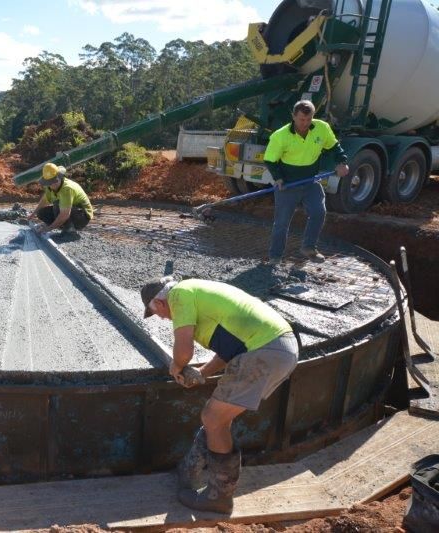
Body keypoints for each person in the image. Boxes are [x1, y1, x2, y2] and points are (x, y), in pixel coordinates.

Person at [140, 276, 298, 514]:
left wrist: (176, 366)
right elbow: (228, 351)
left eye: (157, 312)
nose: (162, 318)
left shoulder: (180, 294)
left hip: (264, 351)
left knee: (213, 418)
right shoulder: (198, 294)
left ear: (159, 301)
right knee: (218, 419)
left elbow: (183, 352)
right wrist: (202, 374)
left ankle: (219, 496)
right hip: (277, 349)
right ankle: (193, 474)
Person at [263, 100, 350, 264]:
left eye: (308, 119)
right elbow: (270, 160)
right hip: (288, 184)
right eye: (301, 119)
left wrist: (342, 162)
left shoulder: (321, 128)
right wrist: (278, 178)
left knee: (319, 212)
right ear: (293, 116)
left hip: (310, 181)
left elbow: (334, 147)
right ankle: (275, 257)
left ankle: (308, 247)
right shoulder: (280, 136)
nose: (305, 123)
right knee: (282, 223)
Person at [28, 163, 93, 234]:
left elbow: (65, 214)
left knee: (58, 205)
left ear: (59, 176)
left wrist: (48, 229)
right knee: (41, 213)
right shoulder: (49, 187)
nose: (52, 184)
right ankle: (62, 226)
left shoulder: (67, 189)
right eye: (49, 182)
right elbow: (45, 200)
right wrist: (33, 214)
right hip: (70, 212)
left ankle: (70, 231)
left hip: (82, 217)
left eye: (54, 181)